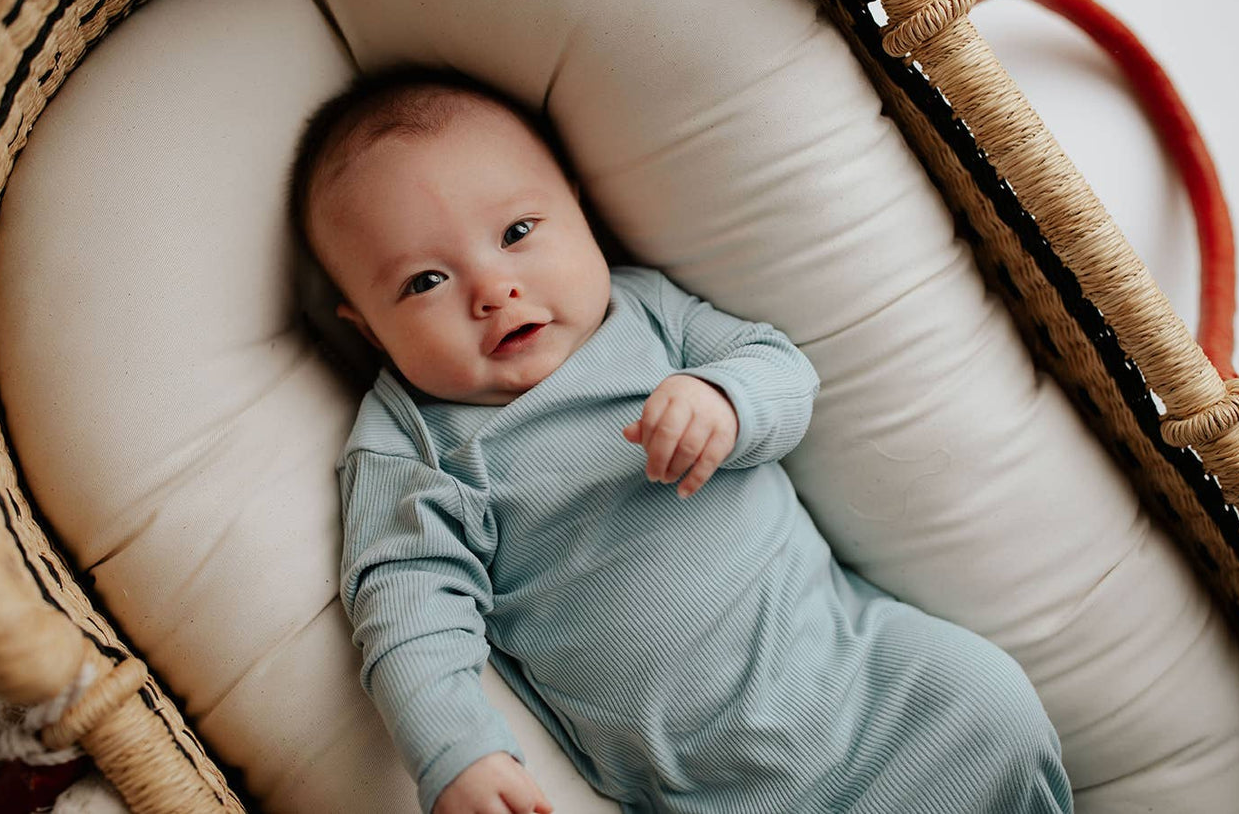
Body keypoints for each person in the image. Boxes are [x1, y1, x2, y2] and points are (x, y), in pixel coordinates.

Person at [289, 65, 1074, 814]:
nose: (493, 291)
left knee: (990, 704)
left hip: (867, 675)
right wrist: (456, 751)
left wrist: (724, 401)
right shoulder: (412, 441)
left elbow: (783, 371)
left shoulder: (648, 314)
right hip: (710, 785)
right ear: (366, 327)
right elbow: (406, 610)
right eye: (425, 282)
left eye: (519, 231)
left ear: (579, 209)